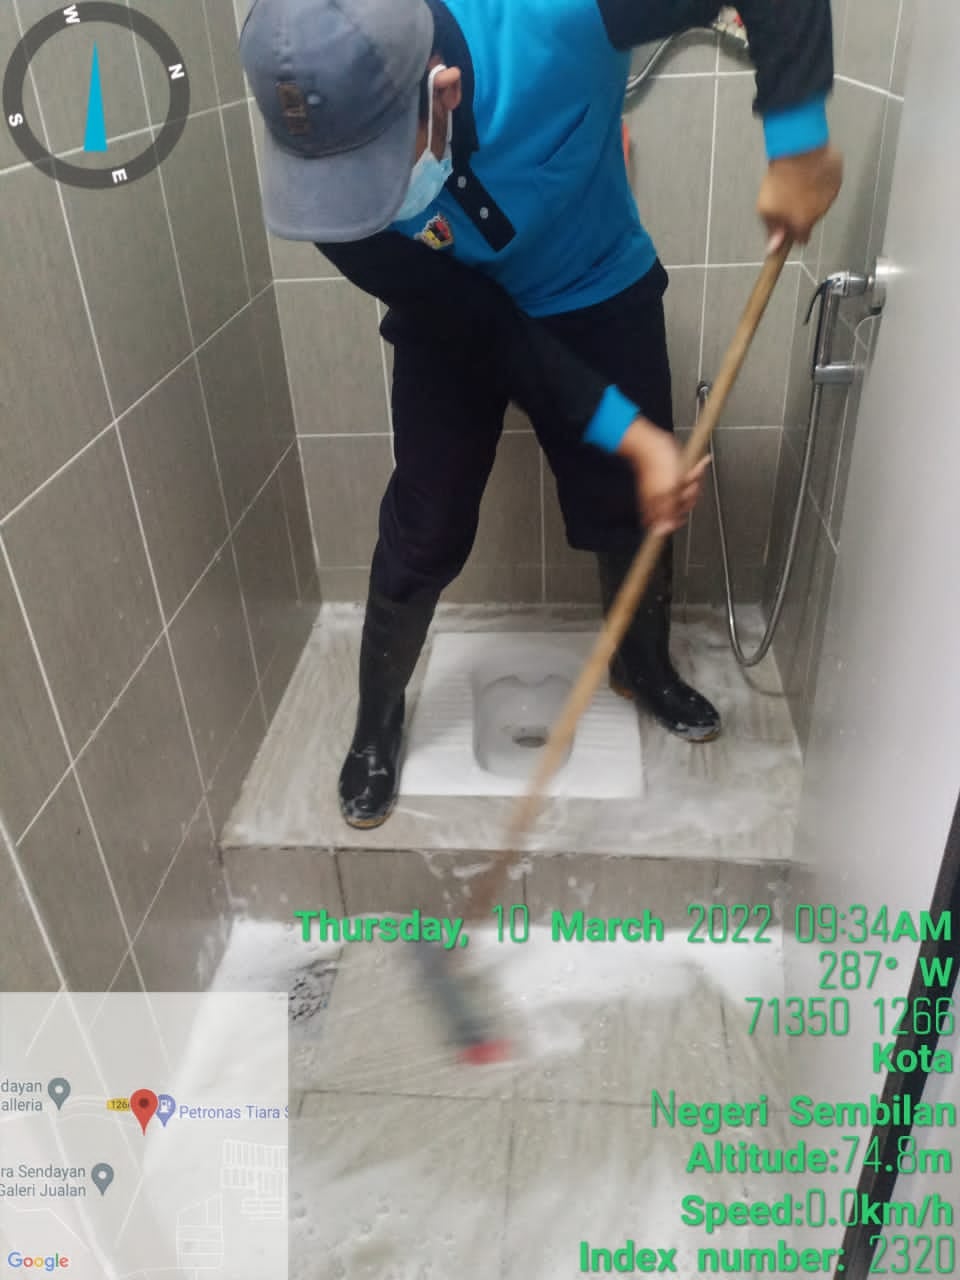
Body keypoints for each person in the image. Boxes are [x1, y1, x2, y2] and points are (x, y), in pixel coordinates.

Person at [239, 0, 842, 829]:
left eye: (378, 166)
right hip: (455, 310)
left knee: (628, 503)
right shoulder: (328, 188)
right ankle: (377, 716)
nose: (360, 198)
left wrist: (799, 139)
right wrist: (630, 433)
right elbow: (490, 332)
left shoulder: (562, 11)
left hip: (594, 278)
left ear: (441, 90)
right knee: (428, 519)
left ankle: (641, 663)